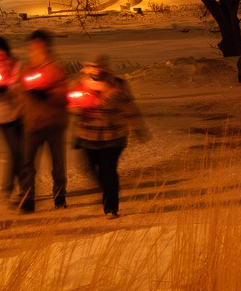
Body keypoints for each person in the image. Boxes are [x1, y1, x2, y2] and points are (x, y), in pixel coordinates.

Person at [69, 55, 148, 219]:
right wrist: (77, 108)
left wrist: (139, 128)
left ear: (105, 68)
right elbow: (71, 103)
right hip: (87, 135)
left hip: (113, 136)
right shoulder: (80, 85)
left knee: (108, 170)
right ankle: (108, 188)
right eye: (92, 66)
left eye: (99, 66)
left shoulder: (117, 85)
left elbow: (129, 107)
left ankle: (111, 207)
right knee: (91, 168)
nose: (95, 70)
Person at [17, 29, 69, 212]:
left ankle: (60, 195)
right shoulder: (26, 68)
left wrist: (46, 94)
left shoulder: (55, 68)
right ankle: (28, 198)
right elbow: (20, 92)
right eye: (32, 44)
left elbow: (64, 96)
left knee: (57, 163)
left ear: (45, 46)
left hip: (53, 122)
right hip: (33, 122)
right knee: (27, 163)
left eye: (37, 44)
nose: (33, 48)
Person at [0, 36, 24, 200]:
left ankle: (21, 186)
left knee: (20, 153)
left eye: (0, 51)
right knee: (15, 152)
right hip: (2, 118)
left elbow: (18, 85)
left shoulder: (15, 64)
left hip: (19, 114)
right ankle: (9, 188)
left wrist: (7, 87)